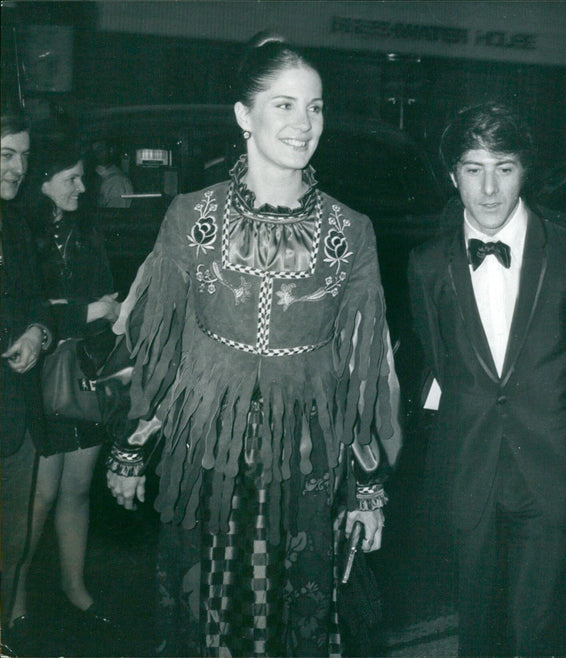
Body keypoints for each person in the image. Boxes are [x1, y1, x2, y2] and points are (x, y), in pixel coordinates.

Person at [106, 35, 401, 657]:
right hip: (206, 456)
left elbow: (362, 373)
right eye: (285, 105)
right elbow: (160, 350)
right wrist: (131, 447)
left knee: (298, 621)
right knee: (206, 614)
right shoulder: (191, 217)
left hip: (306, 464)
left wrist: (368, 488)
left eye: (315, 107)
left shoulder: (352, 231)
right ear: (244, 115)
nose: (304, 124)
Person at [407, 101, 566, 656]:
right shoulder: (427, 265)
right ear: (453, 174)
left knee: (545, 633)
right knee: (477, 635)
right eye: (474, 169)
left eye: (504, 168)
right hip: (468, 477)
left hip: (552, 473)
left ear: (525, 171)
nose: (488, 189)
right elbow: (440, 366)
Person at [8, 136, 120, 635]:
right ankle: (15, 591)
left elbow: (105, 294)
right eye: (70, 178)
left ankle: (75, 589)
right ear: (44, 184)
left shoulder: (87, 230)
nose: (82, 186)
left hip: (85, 375)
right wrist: (83, 312)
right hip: (41, 379)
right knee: (39, 497)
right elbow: (23, 309)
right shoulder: (19, 229)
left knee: (77, 490)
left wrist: (112, 311)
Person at [0, 110, 53, 653]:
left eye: (24, 156)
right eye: (7, 154)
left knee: (9, 545)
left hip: (15, 417)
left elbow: (38, 302)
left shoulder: (14, 222)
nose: (20, 168)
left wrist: (38, 332)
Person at [90, 139, 133, 208]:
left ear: (111, 150)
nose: (97, 154)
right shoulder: (93, 175)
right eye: (93, 152)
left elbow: (115, 212)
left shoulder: (117, 180)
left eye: (100, 150)